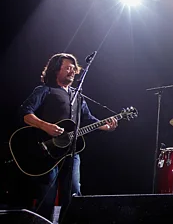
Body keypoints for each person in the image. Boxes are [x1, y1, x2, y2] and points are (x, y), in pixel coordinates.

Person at [19, 53, 118, 221]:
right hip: (47, 151)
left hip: (71, 152)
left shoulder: (77, 96)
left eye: (74, 68)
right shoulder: (45, 90)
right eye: (67, 68)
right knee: (47, 197)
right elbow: (25, 112)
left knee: (73, 193)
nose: (72, 71)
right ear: (56, 70)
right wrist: (45, 126)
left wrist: (106, 126)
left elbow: (89, 119)